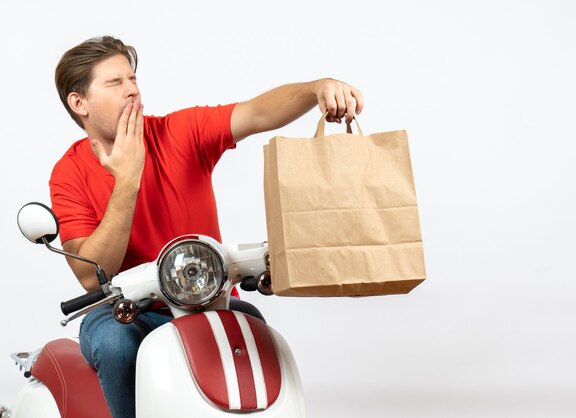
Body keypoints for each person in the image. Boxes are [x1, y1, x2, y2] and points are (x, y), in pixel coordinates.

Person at [49, 35, 363, 418]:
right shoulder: (69, 173)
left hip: (207, 298)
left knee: (254, 331)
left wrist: (316, 89)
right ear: (79, 103)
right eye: (115, 83)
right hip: (125, 309)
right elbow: (92, 274)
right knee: (116, 345)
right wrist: (128, 180)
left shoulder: (179, 131)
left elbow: (256, 113)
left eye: (133, 79)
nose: (132, 90)